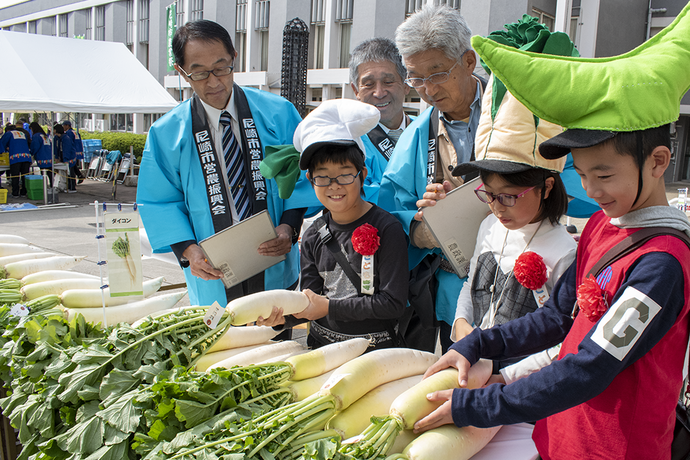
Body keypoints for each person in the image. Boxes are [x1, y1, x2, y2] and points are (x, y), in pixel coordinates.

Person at [417, 5, 690, 459]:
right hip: (562, 434)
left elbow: (591, 366)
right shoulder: (605, 224)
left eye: (603, 175)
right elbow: (557, 316)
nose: (590, 190)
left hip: (615, 447)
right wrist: (479, 342)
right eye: (581, 175)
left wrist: (482, 403)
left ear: (658, 162)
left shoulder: (661, 264)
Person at [137, 20, 317, 308]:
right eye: (199, 72)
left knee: (280, 345)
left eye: (221, 67)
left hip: (275, 262)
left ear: (234, 57)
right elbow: (161, 202)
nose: (213, 82)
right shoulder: (167, 133)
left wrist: (290, 227)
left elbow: (303, 176)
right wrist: (187, 251)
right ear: (182, 72)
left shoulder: (279, 113)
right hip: (211, 273)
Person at [258, 99, 409, 350]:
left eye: (345, 174)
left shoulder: (387, 228)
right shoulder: (312, 235)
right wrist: (279, 320)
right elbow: (310, 302)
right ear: (310, 179)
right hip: (322, 349)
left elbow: (392, 303)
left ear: (363, 174)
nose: (334, 185)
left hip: (373, 353)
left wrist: (329, 307)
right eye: (323, 176)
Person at [378, 3, 485, 353]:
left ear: (468, 61)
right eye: (416, 78)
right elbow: (392, 211)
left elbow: (568, 183)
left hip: (517, 281)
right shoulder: (417, 135)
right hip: (451, 289)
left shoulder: (513, 115)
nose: (427, 89)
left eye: (437, 73)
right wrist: (423, 226)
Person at [349, 38, 411, 204]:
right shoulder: (348, 141)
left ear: (406, 84)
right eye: (368, 84)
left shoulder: (430, 128)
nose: (379, 93)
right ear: (356, 90)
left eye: (388, 82)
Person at [0, 124, 32, 198]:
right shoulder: (22, 133)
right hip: (26, 157)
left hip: (16, 157)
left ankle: (15, 193)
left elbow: (2, 144)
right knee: (25, 176)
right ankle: (24, 192)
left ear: (8, 130)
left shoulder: (9, 134)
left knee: (15, 176)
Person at [29, 122, 53, 187]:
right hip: (49, 156)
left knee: (43, 173)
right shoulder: (44, 135)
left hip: (42, 156)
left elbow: (35, 147)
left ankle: (44, 187)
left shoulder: (36, 136)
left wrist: (31, 153)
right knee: (50, 174)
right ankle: (52, 187)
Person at [62, 120, 84, 185]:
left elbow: (69, 143)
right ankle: (80, 175)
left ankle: (73, 183)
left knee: (72, 167)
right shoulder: (76, 132)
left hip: (72, 152)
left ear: (67, 125)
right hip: (78, 151)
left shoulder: (68, 133)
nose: (63, 127)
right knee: (74, 165)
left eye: (64, 125)